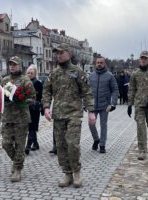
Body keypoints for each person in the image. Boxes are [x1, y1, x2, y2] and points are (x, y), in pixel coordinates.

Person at [42, 43, 96, 188]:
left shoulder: (77, 71)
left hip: (74, 114)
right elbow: (46, 91)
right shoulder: (54, 73)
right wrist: (46, 107)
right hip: (58, 115)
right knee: (61, 146)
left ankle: (76, 172)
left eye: (61, 52)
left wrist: (91, 111)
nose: (58, 55)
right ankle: (67, 172)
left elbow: (87, 92)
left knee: (72, 144)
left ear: (69, 53)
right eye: (57, 53)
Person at [0, 56, 35, 182]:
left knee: (20, 145)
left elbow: (33, 98)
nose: (12, 66)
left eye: (14, 64)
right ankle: (16, 162)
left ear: (20, 66)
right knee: (6, 143)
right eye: (10, 64)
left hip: (21, 118)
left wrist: (22, 99)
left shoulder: (26, 81)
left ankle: (17, 169)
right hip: (7, 117)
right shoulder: (5, 80)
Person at [88, 57, 119, 153]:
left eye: (101, 62)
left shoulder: (109, 76)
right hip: (92, 105)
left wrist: (113, 103)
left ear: (104, 64)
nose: (99, 64)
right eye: (97, 62)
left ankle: (102, 144)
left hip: (104, 105)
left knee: (103, 125)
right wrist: (85, 104)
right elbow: (86, 90)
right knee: (91, 123)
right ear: (95, 64)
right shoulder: (91, 76)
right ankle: (96, 139)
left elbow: (115, 90)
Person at [25, 64, 43, 155]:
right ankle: (35, 143)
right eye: (28, 72)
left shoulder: (38, 83)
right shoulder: (25, 83)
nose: (30, 73)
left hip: (35, 108)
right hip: (26, 108)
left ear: (35, 73)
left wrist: (42, 107)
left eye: (32, 72)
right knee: (30, 127)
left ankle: (28, 145)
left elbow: (41, 97)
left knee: (32, 127)